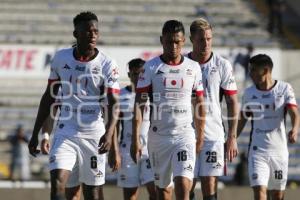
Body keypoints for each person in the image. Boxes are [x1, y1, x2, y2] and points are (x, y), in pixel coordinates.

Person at [28, 11, 120, 200]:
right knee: (57, 186)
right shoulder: (61, 58)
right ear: (75, 34)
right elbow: (49, 98)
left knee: (92, 194)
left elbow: (114, 104)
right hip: (66, 132)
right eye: (87, 31)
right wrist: (36, 133)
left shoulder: (107, 64)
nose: (93, 35)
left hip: (94, 134)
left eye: (96, 31)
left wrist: (109, 134)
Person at [131, 20, 206, 200]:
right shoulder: (150, 68)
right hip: (158, 138)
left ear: (184, 41)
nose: (173, 46)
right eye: (169, 42)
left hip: (184, 135)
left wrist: (200, 136)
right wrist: (135, 139)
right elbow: (139, 105)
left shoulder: (193, 68)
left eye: (177, 42)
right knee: (164, 192)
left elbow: (200, 104)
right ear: (161, 40)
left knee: (182, 184)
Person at [187, 18, 239, 200]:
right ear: (191, 39)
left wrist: (232, 137)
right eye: (201, 39)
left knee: (210, 185)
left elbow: (232, 101)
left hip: (213, 135)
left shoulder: (222, 65)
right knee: (186, 186)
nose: (206, 43)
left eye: (209, 39)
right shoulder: (183, 64)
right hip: (186, 134)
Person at [237, 54, 299, 200]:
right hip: (258, 152)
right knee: (259, 192)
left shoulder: (284, 89)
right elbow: (242, 119)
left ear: (265, 71)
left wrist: (295, 129)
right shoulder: (249, 93)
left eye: (253, 70)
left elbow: (294, 113)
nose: (250, 73)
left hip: (279, 152)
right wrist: (231, 138)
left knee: (277, 195)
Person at [114, 58, 156, 200]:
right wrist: (115, 150)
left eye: (141, 74)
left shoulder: (152, 93)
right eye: (134, 74)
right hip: (127, 149)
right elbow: (114, 126)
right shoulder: (120, 95)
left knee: (155, 191)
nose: (138, 77)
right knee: (130, 195)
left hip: (150, 149)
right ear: (129, 75)